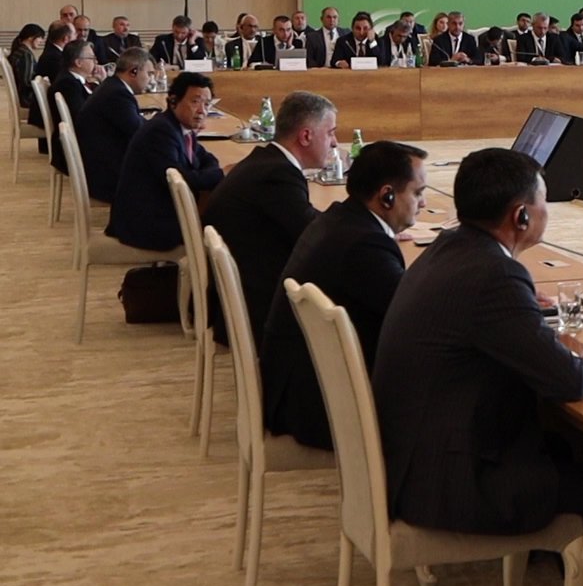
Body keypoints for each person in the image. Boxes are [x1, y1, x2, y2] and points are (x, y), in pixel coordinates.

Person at [372, 148, 583, 586]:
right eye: (544, 202)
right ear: (521, 216)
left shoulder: (451, 250)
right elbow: (566, 381)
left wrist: (549, 344)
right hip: (450, 483)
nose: (547, 211)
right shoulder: (495, 273)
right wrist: (573, 352)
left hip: (415, 460)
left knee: (570, 449)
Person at [260, 139, 427, 450]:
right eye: (417, 193)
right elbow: (415, 318)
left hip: (296, 386)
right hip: (317, 407)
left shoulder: (340, 219)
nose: (424, 203)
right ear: (387, 195)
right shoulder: (365, 246)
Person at [202, 91, 334, 346]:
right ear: (306, 136)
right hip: (258, 312)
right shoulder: (277, 174)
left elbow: (307, 221)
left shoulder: (265, 161)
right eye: (330, 133)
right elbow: (312, 234)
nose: (335, 143)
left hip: (238, 298)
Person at [106, 71, 224, 251]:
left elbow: (206, 158)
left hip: (158, 213)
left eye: (207, 104)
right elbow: (187, 180)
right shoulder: (161, 131)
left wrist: (209, 172)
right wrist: (222, 174)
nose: (202, 111)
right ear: (174, 101)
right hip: (144, 224)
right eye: (195, 102)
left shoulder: (176, 126)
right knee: (224, 226)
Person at [77, 49, 151, 204]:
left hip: (102, 167)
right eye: (148, 73)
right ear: (134, 71)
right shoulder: (117, 95)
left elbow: (136, 126)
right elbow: (140, 134)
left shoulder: (113, 86)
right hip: (110, 178)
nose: (150, 79)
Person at [48, 42, 99, 176]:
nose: (96, 62)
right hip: (75, 148)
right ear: (78, 62)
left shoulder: (71, 79)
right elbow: (81, 118)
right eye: (92, 58)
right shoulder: (68, 84)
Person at [8, 23, 44, 109]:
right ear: (30, 37)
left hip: (23, 96)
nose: (41, 41)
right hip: (27, 98)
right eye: (40, 37)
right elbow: (27, 82)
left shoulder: (19, 50)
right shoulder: (26, 55)